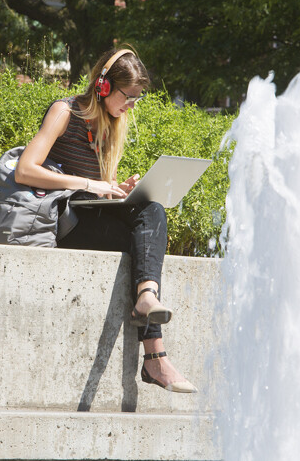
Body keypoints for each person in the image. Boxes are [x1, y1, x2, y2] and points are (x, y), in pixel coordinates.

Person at [15, 48, 196, 393]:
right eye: (128, 97)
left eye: (136, 100)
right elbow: (26, 170)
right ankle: (155, 358)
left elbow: (96, 191)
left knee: (151, 208)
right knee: (145, 227)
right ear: (103, 86)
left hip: (88, 215)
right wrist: (90, 184)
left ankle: (149, 307)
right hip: (61, 221)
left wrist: (115, 191)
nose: (131, 106)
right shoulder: (63, 112)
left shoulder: (112, 124)